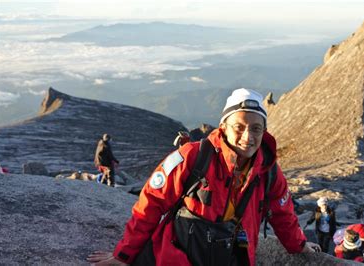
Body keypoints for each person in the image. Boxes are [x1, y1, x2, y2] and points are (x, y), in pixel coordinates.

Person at [87, 88, 321, 265]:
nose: (248, 136)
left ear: (264, 130)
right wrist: (124, 255)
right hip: (178, 258)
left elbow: (283, 214)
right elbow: (150, 204)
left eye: (256, 128)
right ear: (223, 127)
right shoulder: (193, 157)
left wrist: (299, 245)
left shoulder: (268, 171)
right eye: (239, 126)